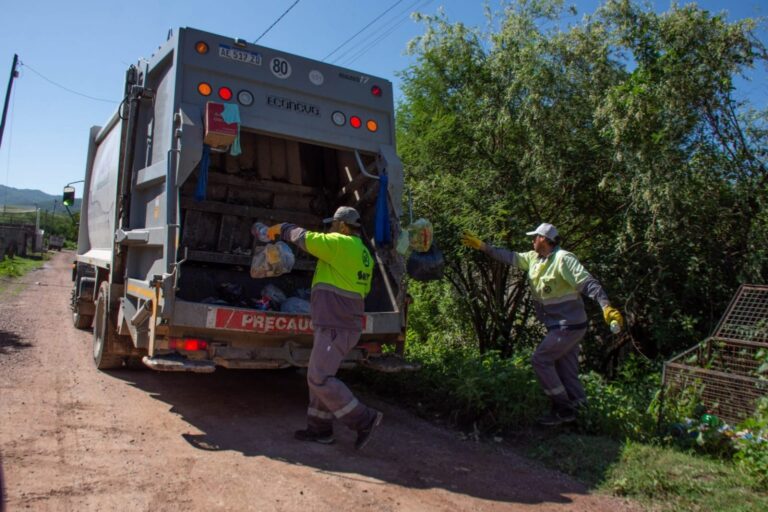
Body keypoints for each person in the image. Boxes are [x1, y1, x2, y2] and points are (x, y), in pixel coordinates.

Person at [461, 223, 624, 426]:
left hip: (568, 326)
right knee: (567, 371)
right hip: (560, 326)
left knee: (540, 360)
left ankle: (563, 408)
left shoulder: (563, 259)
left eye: (535, 237)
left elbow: (588, 283)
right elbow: (509, 257)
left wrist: (606, 306)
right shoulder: (533, 259)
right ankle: (582, 415)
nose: (532, 240)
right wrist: (484, 247)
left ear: (545, 240)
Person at [266, 206, 383, 449]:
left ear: (341, 225)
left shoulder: (339, 242)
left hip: (335, 324)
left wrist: (282, 228)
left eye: (332, 225)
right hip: (343, 323)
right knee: (321, 375)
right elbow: (363, 289)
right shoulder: (363, 253)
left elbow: (305, 239)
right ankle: (320, 429)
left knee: (318, 378)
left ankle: (364, 419)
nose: (329, 229)